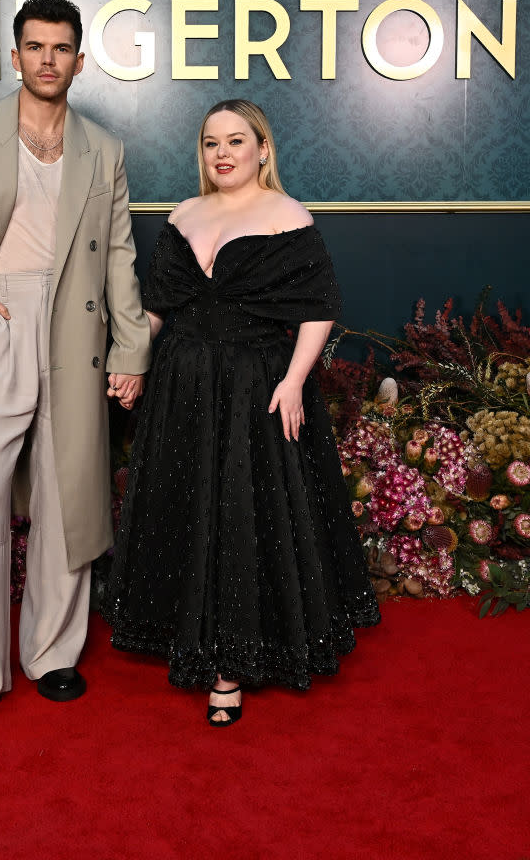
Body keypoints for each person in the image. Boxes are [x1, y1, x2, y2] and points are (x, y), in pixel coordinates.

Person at [0, 0, 150, 743]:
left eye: (62, 47)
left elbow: (118, 254)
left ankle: (52, 652)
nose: (48, 59)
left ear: (80, 60)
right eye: (35, 46)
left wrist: (131, 347)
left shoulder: (103, 149)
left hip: (73, 328)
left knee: (64, 492)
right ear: (14, 56)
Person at [105, 99, 380, 726]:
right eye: (210, 143)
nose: (222, 153)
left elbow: (319, 306)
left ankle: (229, 669)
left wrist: (294, 380)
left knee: (239, 514)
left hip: (256, 387)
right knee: (188, 505)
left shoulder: (287, 215)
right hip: (182, 384)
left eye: (235, 141)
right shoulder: (184, 214)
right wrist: (130, 363)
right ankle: (190, 631)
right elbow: (157, 308)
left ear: (262, 148)